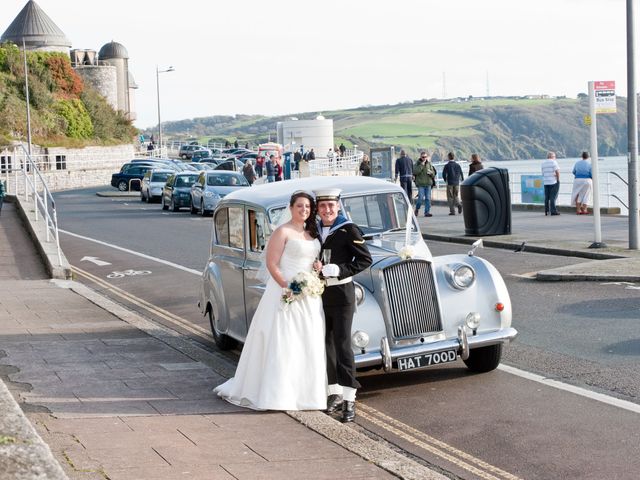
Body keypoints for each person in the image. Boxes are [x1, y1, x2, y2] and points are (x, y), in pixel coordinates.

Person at [215, 192, 326, 410]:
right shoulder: (282, 231)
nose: (304, 210)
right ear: (291, 207)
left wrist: (317, 267)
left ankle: (306, 394)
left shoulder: (311, 233)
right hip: (286, 291)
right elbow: (272, 264)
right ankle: (277, 394)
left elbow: (313, 259)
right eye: (300, 206)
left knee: (307, 341)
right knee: (283, 340)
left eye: (307, 207)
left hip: (309, 295)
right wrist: (289, 287)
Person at [314, 188, 372, 423]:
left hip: (341, 294)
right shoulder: (313, 231)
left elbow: (365, 259)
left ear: (338, 206)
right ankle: (333, 393)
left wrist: (340, 270)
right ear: (318, 209)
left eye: (331, 206)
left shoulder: (348, 229)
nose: (327, 210)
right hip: (318, 294)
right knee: (326, 344)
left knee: (343, 344)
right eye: (323, 206)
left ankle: (349, 398)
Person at [413, 151, 436, 217]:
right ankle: (417, 209)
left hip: (428, 184)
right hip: (421, 184)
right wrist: (421, 165)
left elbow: (434, 173)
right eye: (423, 157)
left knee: (428, 199)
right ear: (420, 157)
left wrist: (431, 173)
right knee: (420, 198)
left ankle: (427, 212)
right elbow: (415, 172)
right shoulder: (417, 164)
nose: (424, 158)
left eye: (425, 157)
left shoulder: (429, 164)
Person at [541, 151, 561, 216]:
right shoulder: (553, 162)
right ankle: (553, 211)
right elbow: (557, 172)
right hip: (553, 182)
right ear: (552, 157)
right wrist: (558, 180)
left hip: (546, 182)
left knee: (547, 197)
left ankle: (546, 211)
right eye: (554, 157)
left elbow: (543, 173)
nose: (555, 158)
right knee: (553, 197)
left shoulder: (543, 163)